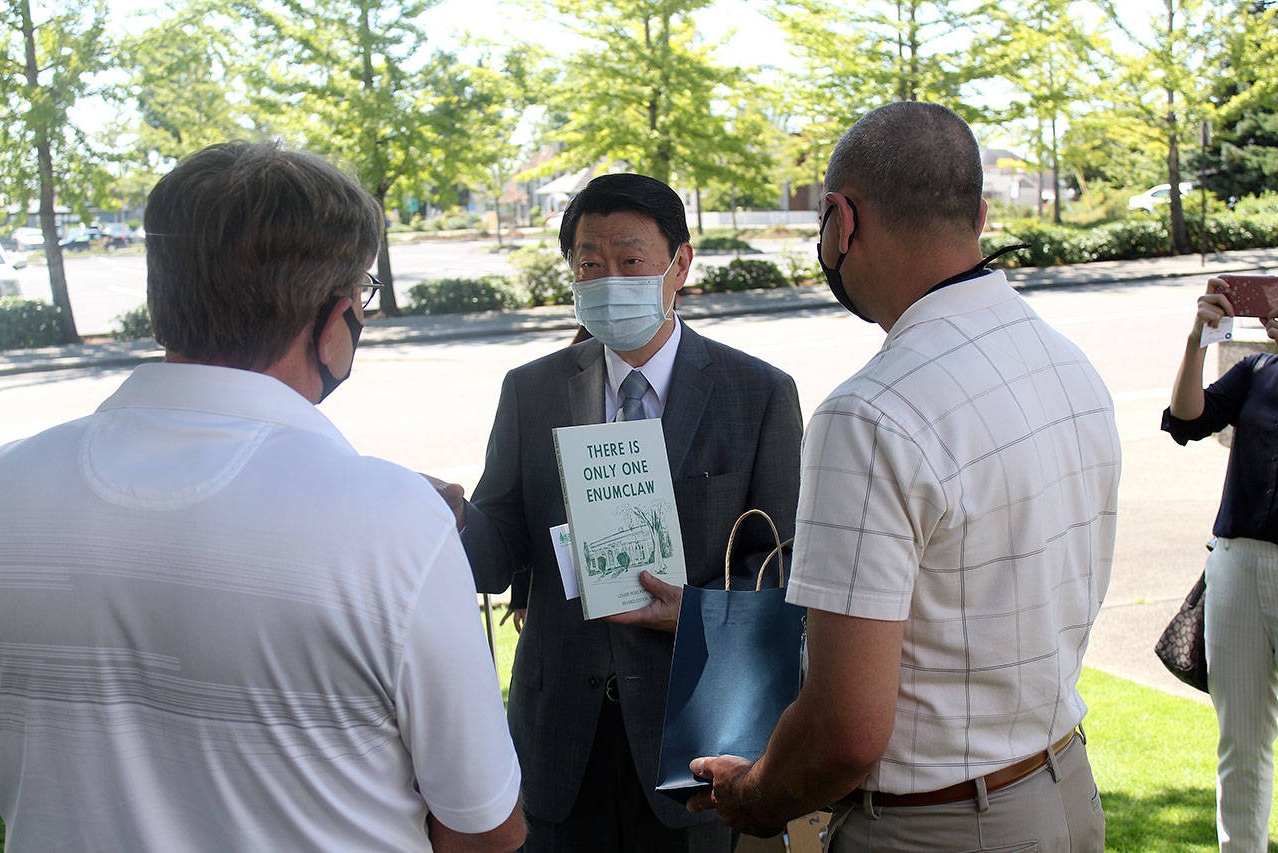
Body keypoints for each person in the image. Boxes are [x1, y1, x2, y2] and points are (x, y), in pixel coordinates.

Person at [0, 141, 524, 853]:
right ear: (334, 317)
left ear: (160, 295)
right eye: (362, 294)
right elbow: (484, 828)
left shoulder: (11, 485)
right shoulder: (392, 522)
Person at [688, 102, 1121, 852]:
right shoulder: (1063, 360)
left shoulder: (871, 413)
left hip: (938, 826)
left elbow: (845, 730)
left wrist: (754, 797)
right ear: (979, 215)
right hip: (1064, 787)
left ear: (840, 221)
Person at [430, 172, 803, 852]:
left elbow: (784, 565)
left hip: (692, 737)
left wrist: (694, 610)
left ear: (679, 263)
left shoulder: (759, 393)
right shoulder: (533, 391)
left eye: (630, 261)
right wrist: (454, 520)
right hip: (560, 739)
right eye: (589, 264)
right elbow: (498, 554)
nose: (608, 279)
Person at [1163, 278, 1278, 851]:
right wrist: (1197, 342)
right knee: (1240, 746)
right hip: (1237, 562)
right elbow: (1188, 419)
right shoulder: (1258, 369)